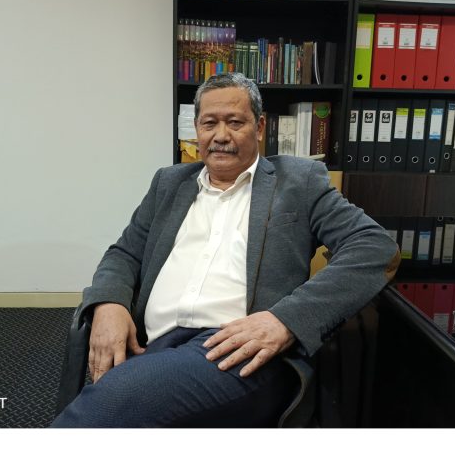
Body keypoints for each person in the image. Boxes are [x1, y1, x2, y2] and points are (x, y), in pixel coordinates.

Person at [51, 72, 399, 427]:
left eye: (235, 122)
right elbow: (124, 253)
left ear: (259, 127)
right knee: (129, 407)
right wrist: (110, 303)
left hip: (237, 353)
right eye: (209, 123)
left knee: (115, 399)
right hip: (153, 344)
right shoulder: (168, 183)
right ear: (196, 129)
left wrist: (286, 319)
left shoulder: (298, 181)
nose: (220, 136)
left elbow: (375, 247)